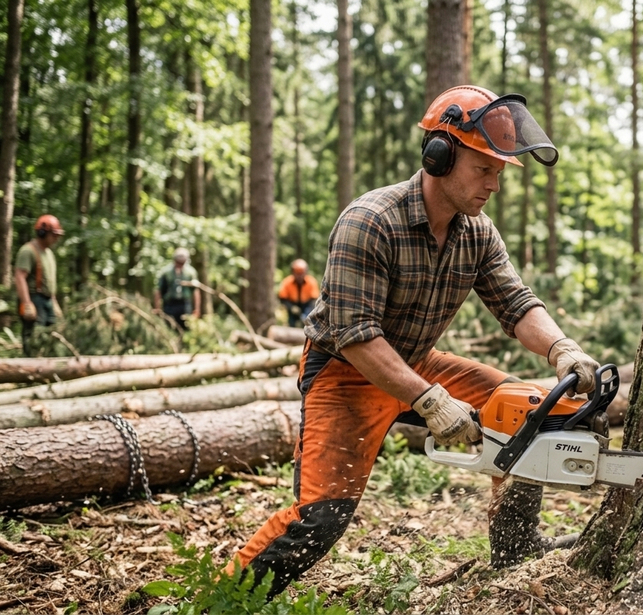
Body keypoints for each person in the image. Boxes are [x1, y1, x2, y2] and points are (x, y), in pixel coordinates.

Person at [227, 85, 600, 597]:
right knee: (320, 518)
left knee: (525, 413)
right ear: (440, 155)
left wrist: (563, 348)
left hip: (417, 362)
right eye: (483, 169)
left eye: (499, 171)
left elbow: (515, 303)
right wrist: (428, 400)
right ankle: (222, 596)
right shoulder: (371, 221)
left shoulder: (477, 232)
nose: (494, 184)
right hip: (347, 371)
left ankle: (515, 547)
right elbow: (356, 335)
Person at [14, 214, 65, 356]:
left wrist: (54, 302)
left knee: (52, 334)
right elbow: (19, 277)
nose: (56, 238)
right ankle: (30, 370)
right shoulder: (28, 251)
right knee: (33, 337)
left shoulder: (49, 253)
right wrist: (26, 302)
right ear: (42, 233)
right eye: (54, 235)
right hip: (34, 298)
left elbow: (49, 281)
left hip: (48, 300)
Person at [153, 247, 200, 331]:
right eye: (179, 262)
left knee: (186, 328)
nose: (180, 264)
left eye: (182, 262)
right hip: (169, 304)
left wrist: (196, 309)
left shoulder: (191, 273)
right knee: (169, 327)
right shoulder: (166, 272)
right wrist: (157, 307)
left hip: (185, 304)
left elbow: (196, 292)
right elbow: (158, 290)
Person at [277, 259, 320, 327]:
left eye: (301, 273)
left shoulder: (311, 282)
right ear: (293, 272)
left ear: (305, 272)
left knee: (309, 321)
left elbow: (314, 299)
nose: (299, 276)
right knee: (292, 322)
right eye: (297, 273)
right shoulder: (287, 282)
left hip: (307, 305)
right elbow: (283, 298)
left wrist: (309, 312)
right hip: (292, 304)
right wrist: (291, 307)